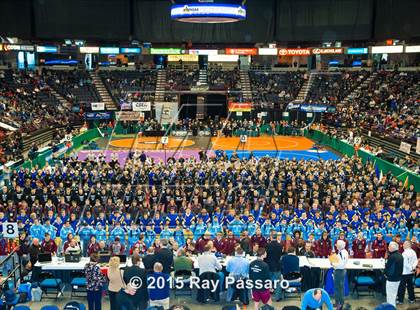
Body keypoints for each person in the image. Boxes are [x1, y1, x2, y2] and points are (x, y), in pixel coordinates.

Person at [265, 231, 283, 301]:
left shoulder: (267, 245)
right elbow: (280, 255)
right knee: (278, 282)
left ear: (271, 237)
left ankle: (266, 297)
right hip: (277, 266)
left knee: (268, 282)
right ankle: (278, 297)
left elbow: (266, 256)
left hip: (269, 266)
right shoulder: (280, 245)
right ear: (276, 237)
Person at [385, 241, 403, 307]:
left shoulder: (392, 256)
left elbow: (389, 269)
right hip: (398, 278)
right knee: (393, 295)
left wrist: (386, 274)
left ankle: (390, 308)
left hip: (392, 279)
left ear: (392, 248)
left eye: (389, 246)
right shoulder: (400, 255)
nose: (388, 247)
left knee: (390, 297)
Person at [332, 239, 349, 308]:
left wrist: (333, 263)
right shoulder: (341, 252)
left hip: (340, 271)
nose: (335, 246)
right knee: (337, 288)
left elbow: (341, 264)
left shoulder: (343, 253)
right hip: (339, 270)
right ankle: (337, 302)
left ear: (340, 246)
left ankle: (340, 303)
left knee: (339, 288)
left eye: (337, 245)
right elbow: (338, 261)